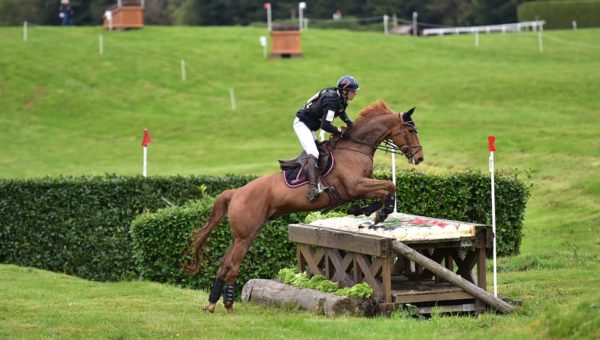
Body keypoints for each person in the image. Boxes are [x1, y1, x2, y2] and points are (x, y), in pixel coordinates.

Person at [293, 75, 359, 202]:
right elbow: (325, 125)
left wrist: (350, 124)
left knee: (322, 150)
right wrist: (340, 131)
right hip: (302, 124)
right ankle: (312, 189)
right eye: (353, 91)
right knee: (314, 153)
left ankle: (321, 180)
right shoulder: (331, 100)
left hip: (310, 126)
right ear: (345, 91)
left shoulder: (340, 98)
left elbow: (341, 111)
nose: (355, 94)